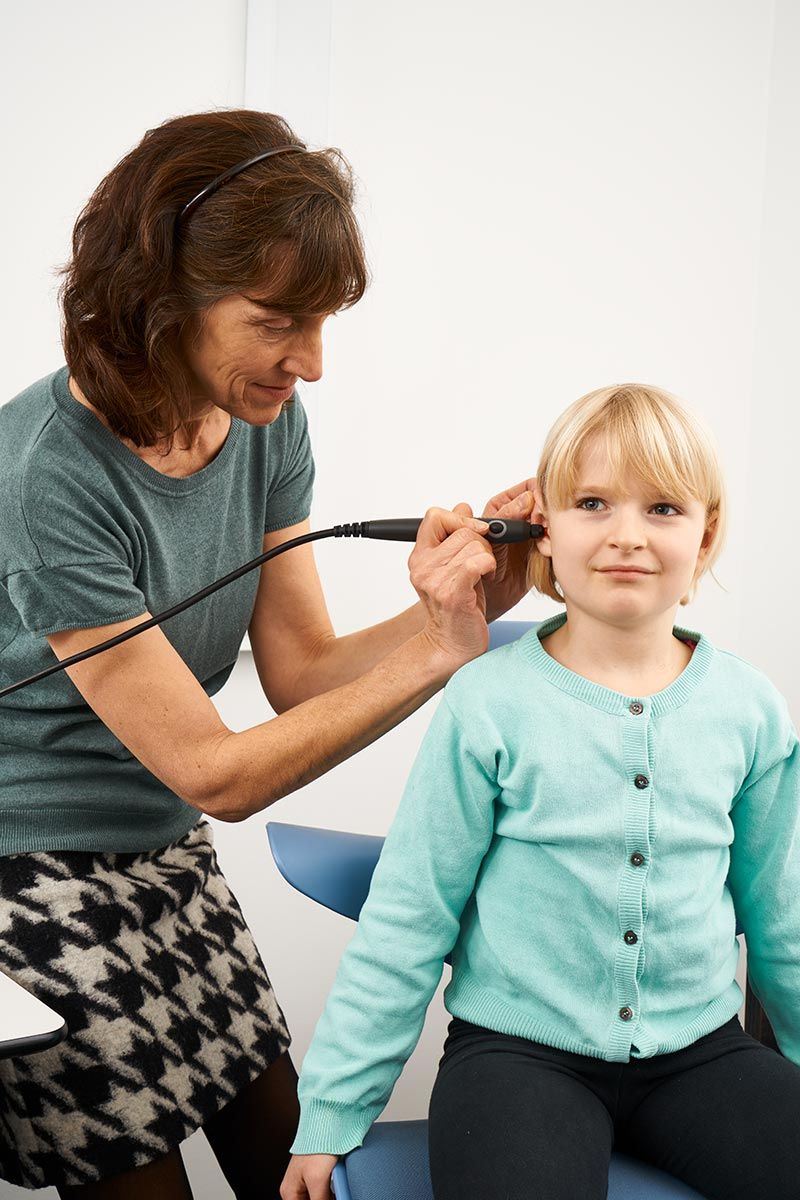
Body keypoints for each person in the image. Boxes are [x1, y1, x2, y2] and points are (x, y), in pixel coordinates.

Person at [0, 109, 536, 1199]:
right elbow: (216, 770)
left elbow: (301, 674)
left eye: (325, 321)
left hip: (161, 852)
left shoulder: (261, 416)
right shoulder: (47, 476)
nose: (312, 363)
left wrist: (468, 610)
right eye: (277, 321)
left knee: (290, 1160)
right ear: (159, 297)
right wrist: (438, 653)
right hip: (30, 881)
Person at [281, 382, 800, 1200]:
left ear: (706, 537)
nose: (627, 535)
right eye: (593, 502)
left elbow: (782, 918)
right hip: (519, 1058)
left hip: (703, 1052)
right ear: (543, 532)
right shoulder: (489, 701)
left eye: (664, 508)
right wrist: (330, 1114)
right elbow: (408, 919)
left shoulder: (750, 709)